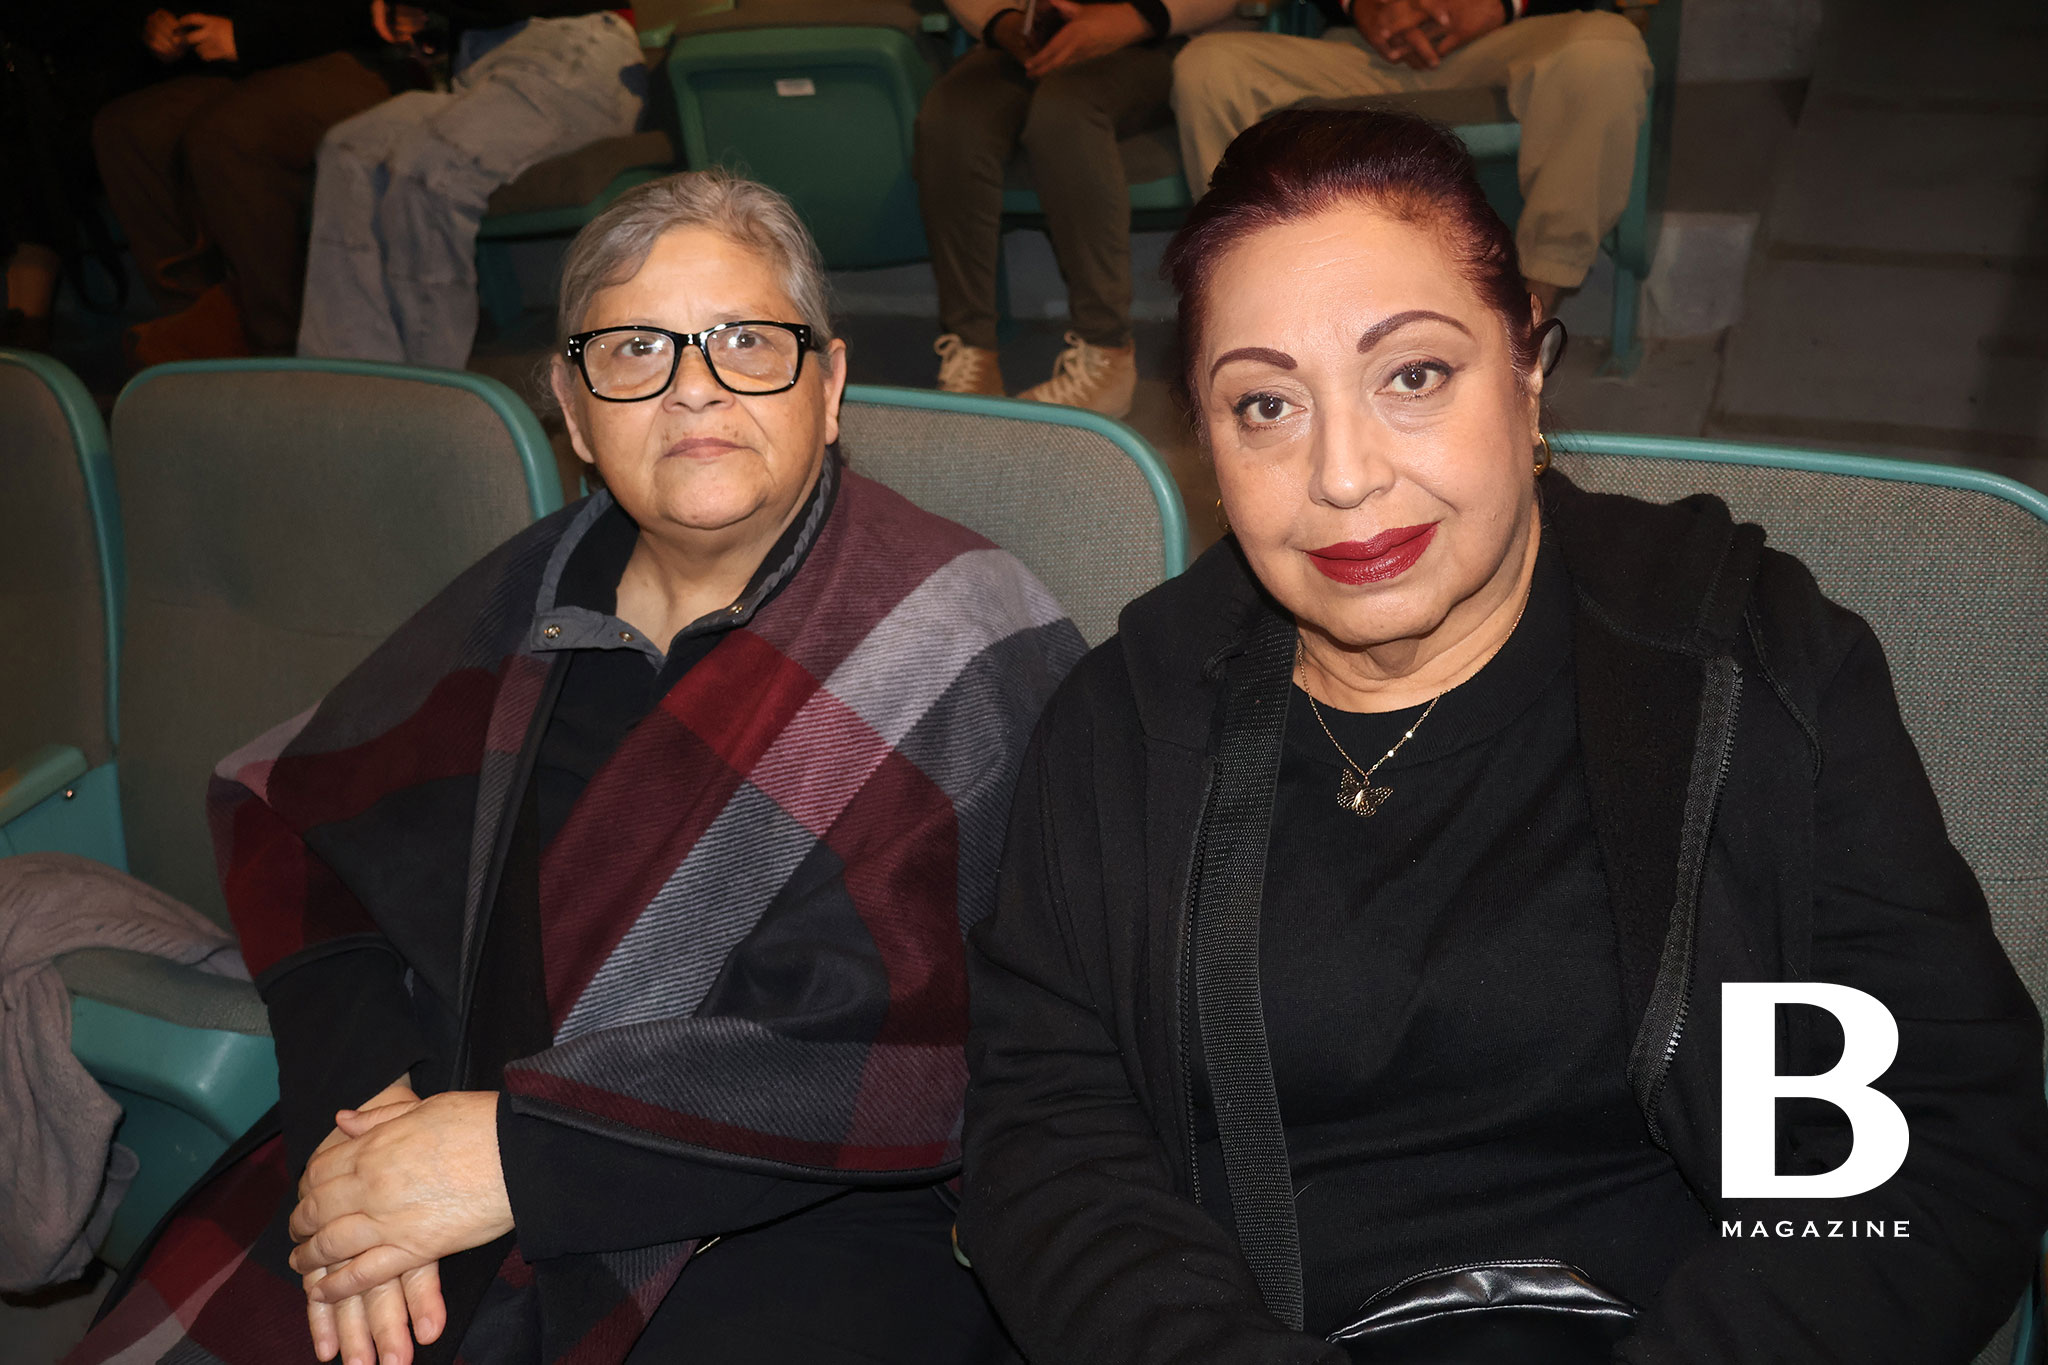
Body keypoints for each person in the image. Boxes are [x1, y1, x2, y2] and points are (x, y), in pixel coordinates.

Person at [957, 109, 2048, 1364]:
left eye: (1412, 376)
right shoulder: (1129, 723)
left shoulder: (1737, 666)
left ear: (1526, 369)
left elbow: (1922, 1133)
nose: (1344, 476)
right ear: (1207, 445)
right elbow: (1052, 1142)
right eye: (1265, 404)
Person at [69, 170, 1083, 1365]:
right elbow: (308, 829)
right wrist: (364, 1111)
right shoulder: (529, 593)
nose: (694, 386)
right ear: (572, 407)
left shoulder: (961, 635)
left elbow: (934, 1052)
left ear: (828, 384)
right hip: (442, 1125)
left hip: (805, 1213)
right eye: (634, 350)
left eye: (747, 341)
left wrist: (517, 1154)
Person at [1171, 0, 1651, 315]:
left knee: (1604, 53)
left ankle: (1534, 308)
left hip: (1520, 37)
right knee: (1209, 68)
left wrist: (1503, 4)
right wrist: (1360, 5)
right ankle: (1253, 298)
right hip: (1361, 49)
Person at [915, 0, 1238, 417]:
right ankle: (972, 351)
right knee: (950, 120)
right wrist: (1003, 20)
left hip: (1157, 36)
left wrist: (1136, 17)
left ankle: (1107, 353)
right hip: (1027, 38)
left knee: (1064, 112)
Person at [296, 0, 648, 369]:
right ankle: (351, 381)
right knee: (348, 151)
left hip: (576, 47)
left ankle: (429, 385)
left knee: (429, 169)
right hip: (484, 65)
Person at [91, 2, 401, 365]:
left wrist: (246, 37)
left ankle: (279, 346)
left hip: (349, 52)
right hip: (236, 66)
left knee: (230, 133)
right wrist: (162, 23)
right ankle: (203, 330)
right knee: (130, 130)